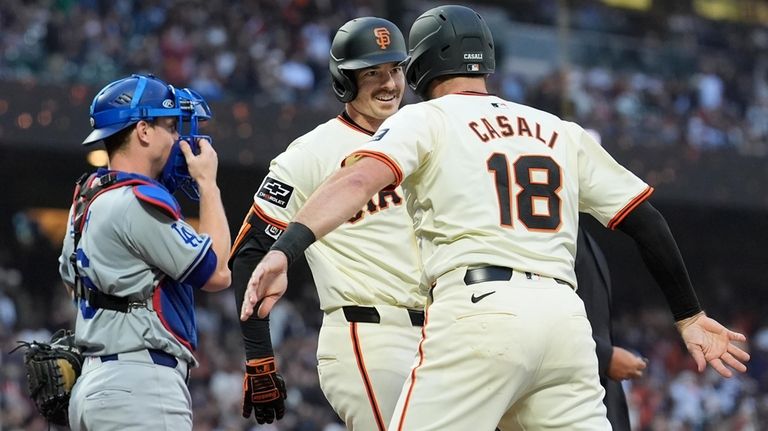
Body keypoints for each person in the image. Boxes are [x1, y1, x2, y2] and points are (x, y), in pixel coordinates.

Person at [240, 4, 749, 430]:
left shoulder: (424, 119)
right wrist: (689, 313)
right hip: (563, 321)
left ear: (418, 67)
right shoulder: (556, 127)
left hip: (479, 310)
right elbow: (646, 220)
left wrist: (288, 248)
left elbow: (354, 182)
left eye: (397, 67)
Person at [229, 17, 425, 429]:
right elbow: (250, 252)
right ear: (344, 81)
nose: (389, 83)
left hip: (441, 335)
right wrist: (259, 358)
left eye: (395, 69)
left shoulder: (424, 136)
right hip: (369, 334)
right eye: (373, 73)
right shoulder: (312, 152)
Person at [58, 74, 231, 430]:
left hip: (96, 385)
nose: (177, 137)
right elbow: (217, 274)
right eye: (170, 126)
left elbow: (71, 284)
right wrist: (208, 185)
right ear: (143, 131)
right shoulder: (136, 201)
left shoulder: (87, 197)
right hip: (139, 387)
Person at [575, 222, 647, 430]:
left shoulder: (579, 234)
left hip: (591, 391)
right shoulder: (549, 235)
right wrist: (604, 356)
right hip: (567, 392)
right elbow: (539, 315)